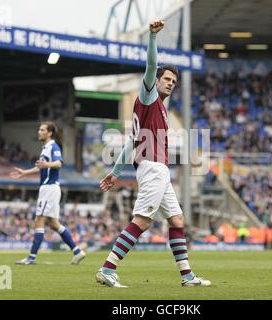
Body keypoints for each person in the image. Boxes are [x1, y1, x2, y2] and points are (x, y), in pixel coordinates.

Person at [96, 20, 211, 287]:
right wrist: (152, 37)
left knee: (177, 219)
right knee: (143, 221)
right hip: (153, 168)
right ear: (155, 81)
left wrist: (115, 172)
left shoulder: (158, 108)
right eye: (166, 79)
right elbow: (150, 66)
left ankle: (187, 276)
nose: (171, 83)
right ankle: (108, 268)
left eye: (174, 81)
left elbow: (130, 143)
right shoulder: (148, 97)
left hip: (157, 169)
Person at [11, 121, 86, 265]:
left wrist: (47, 164)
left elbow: (59, 163)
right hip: (49, 188)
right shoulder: (45, 148)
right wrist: (25, 172)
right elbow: (42, 167)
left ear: (49, 133)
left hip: (49, 188)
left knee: (39, 219)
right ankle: (77, 251)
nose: (39, 132)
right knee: (53, 224)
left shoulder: (53, 146)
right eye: (39, 129)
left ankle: (31, 257)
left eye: (42, 129)